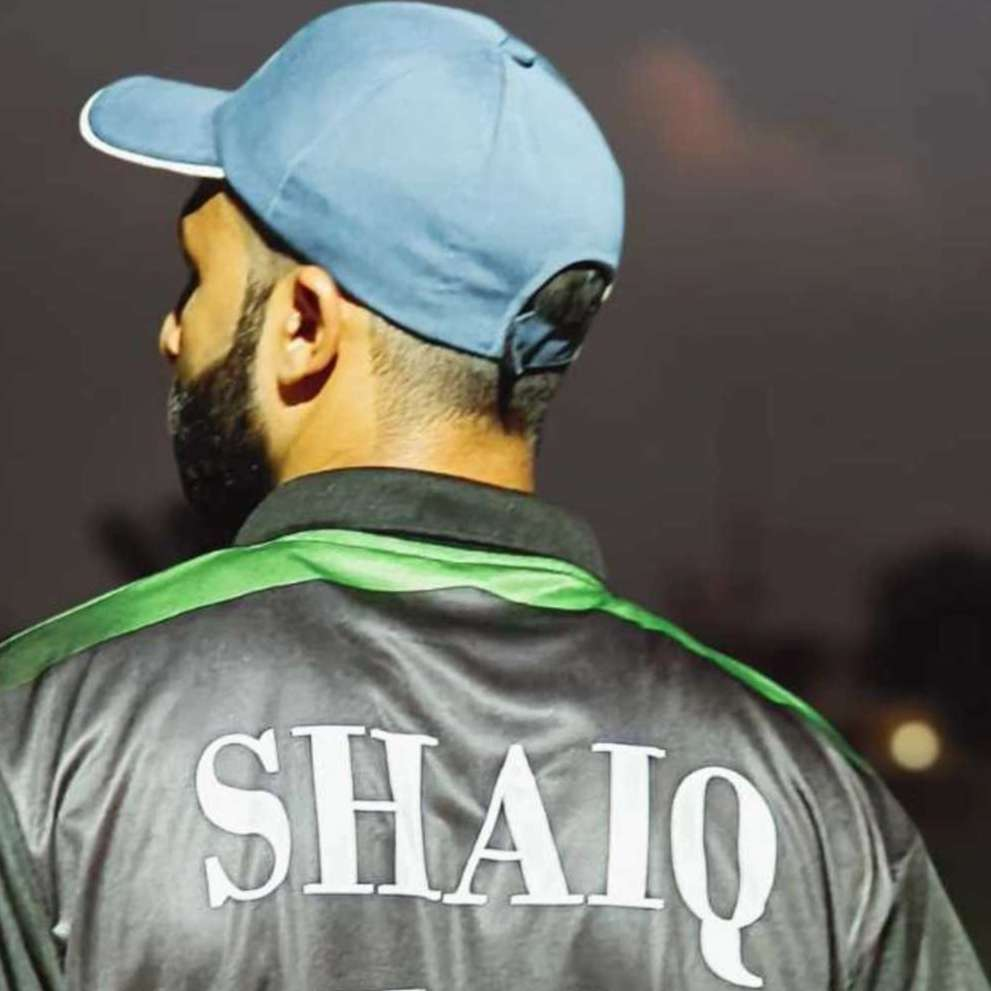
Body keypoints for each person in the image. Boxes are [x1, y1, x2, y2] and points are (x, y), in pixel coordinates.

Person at [0, 3, 986, 989]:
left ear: (303, 324)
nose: (173, 332)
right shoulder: (811, 797)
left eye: (195, 279)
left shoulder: (47, 729)